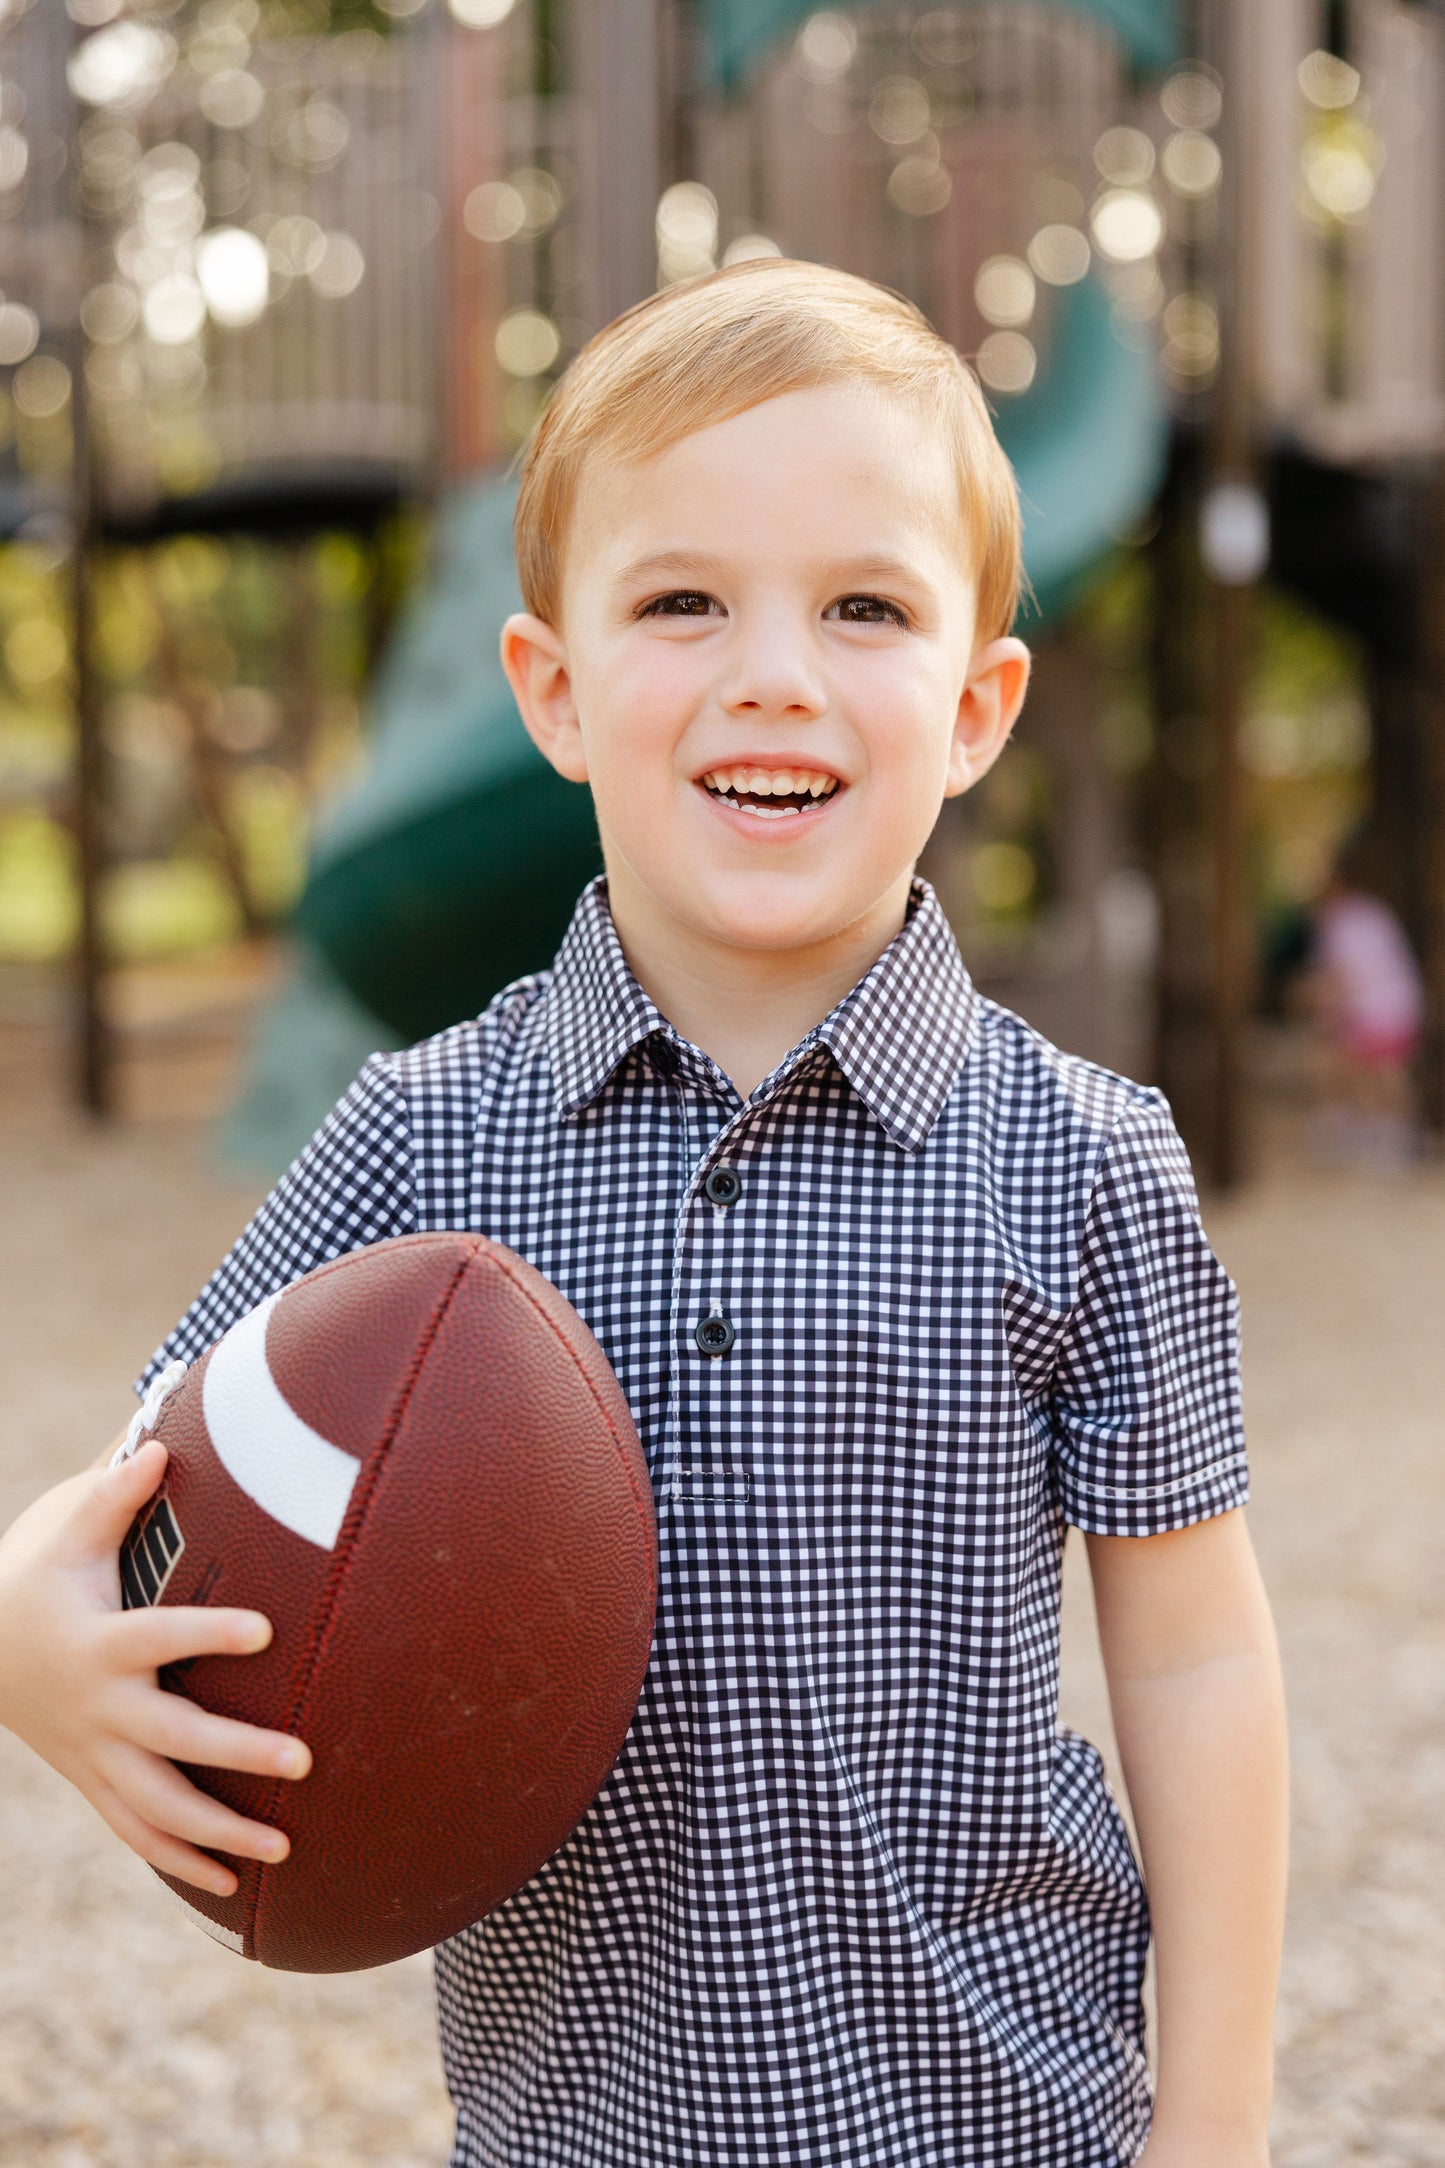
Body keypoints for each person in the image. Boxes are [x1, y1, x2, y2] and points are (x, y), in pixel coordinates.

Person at [0, 261, 1287, 2168]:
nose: (773, 667)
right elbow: (151, 1479)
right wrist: (31, 1641)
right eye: (683, 600)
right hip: (577, 2127)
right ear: (555, 689)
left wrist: (1220, 2124)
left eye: (865, 606)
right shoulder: (424, 1137)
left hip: (1010, 2118)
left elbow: (1193, 1655)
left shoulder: (1080, 1159)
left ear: (975, 706)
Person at [1310, 839, 1424, 1170]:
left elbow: (1341, 977)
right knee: (1382, 1073)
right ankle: (1388, 1134)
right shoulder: (1374, 912)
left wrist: (1327, 1014)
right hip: (1399, 1005)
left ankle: (1384, 1135)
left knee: (1373, 1072)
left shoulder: (1341, 921)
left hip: (1374, 1010)